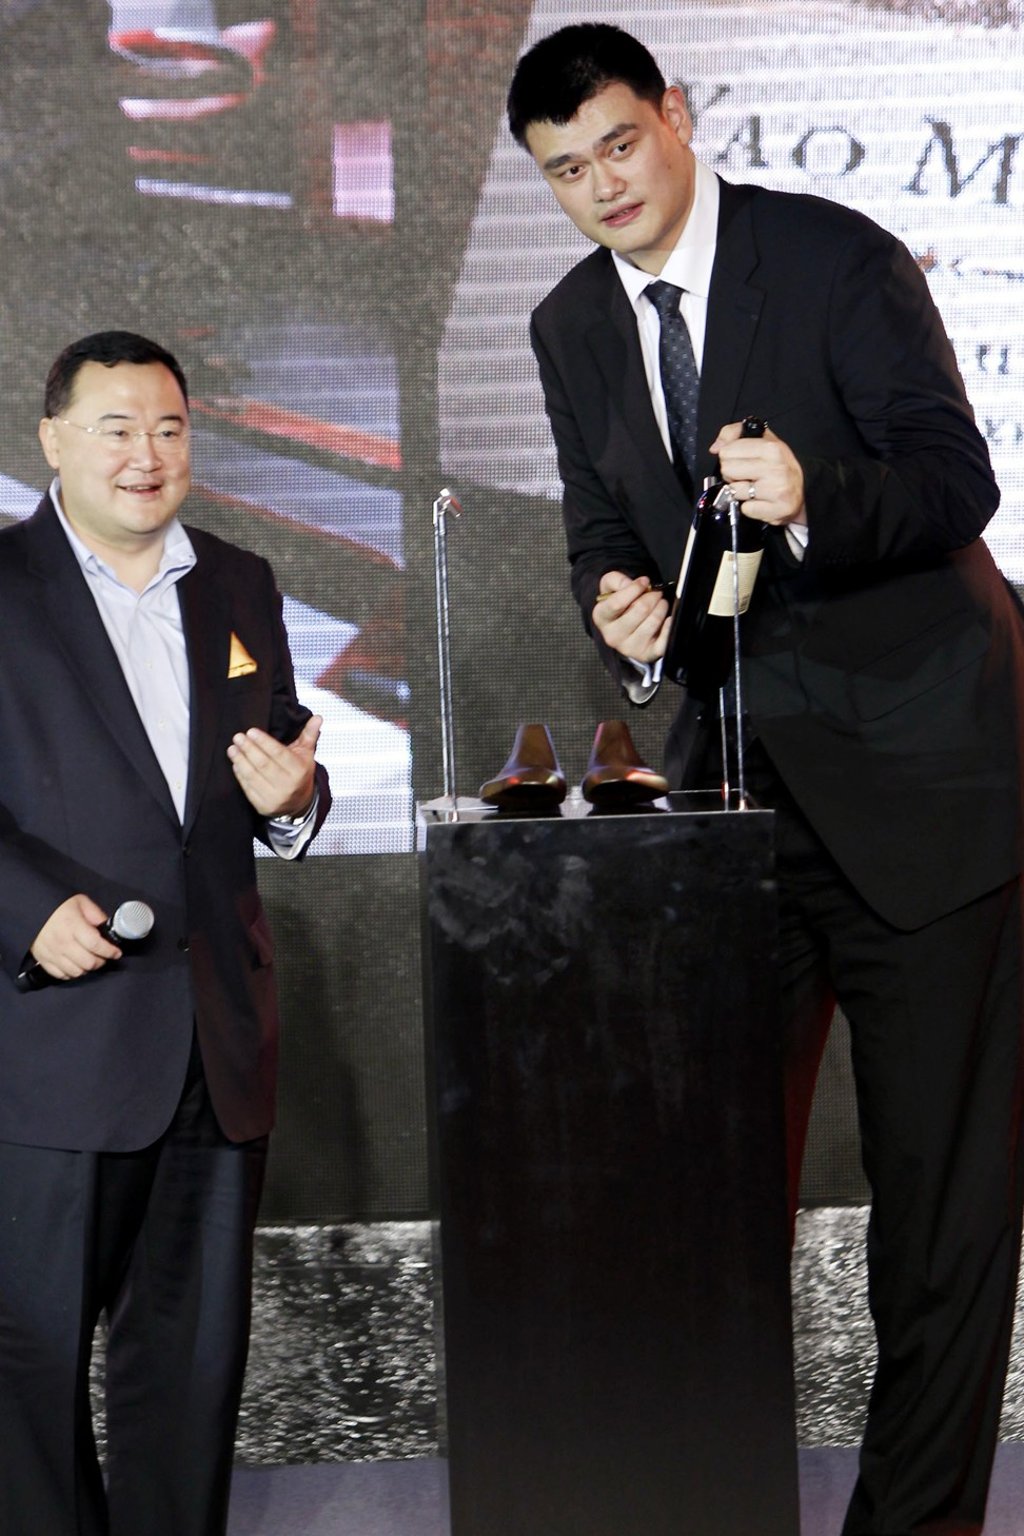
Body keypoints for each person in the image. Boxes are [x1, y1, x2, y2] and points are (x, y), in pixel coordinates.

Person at [507, 24, 1024, 1536]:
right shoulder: (566, 327)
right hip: (734, 809)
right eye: (563, 172)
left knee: (940, 1213)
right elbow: (604, 528)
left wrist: (816, 498)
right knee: (705, 1199)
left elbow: (957, 479)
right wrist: (624, 615)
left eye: (615, 143)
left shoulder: (832, 258)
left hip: (935, 787)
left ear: (674, 115)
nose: (600, 184)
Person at [0, 330, 331, 1536]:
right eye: (117, 428)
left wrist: (295, 801)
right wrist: (27, 912)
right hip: (51, 1047)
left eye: (171, 428)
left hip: (214, 1048)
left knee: (188, 1380)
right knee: (26, 1382)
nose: (148, 455)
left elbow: (283, 765)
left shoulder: (238, 582)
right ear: (53, 441)